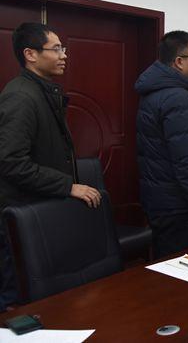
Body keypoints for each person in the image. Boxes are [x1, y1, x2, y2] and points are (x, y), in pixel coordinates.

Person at [0, 22, 101, 310]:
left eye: (63, 48)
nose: (63, 55)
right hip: (21, 215)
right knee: (19, 303)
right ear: (30, 54)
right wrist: (68, 186)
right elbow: (11, 162)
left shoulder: (41, 90)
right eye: (56, 49)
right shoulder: (21, 96)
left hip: (40, 209)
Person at [135, 30, 188, 259]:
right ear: (179, 61)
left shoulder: (156, 92)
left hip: (161, 201)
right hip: (178, 205)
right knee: (185, 268)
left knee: (167, 266)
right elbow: (187, 161)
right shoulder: (177, 98)